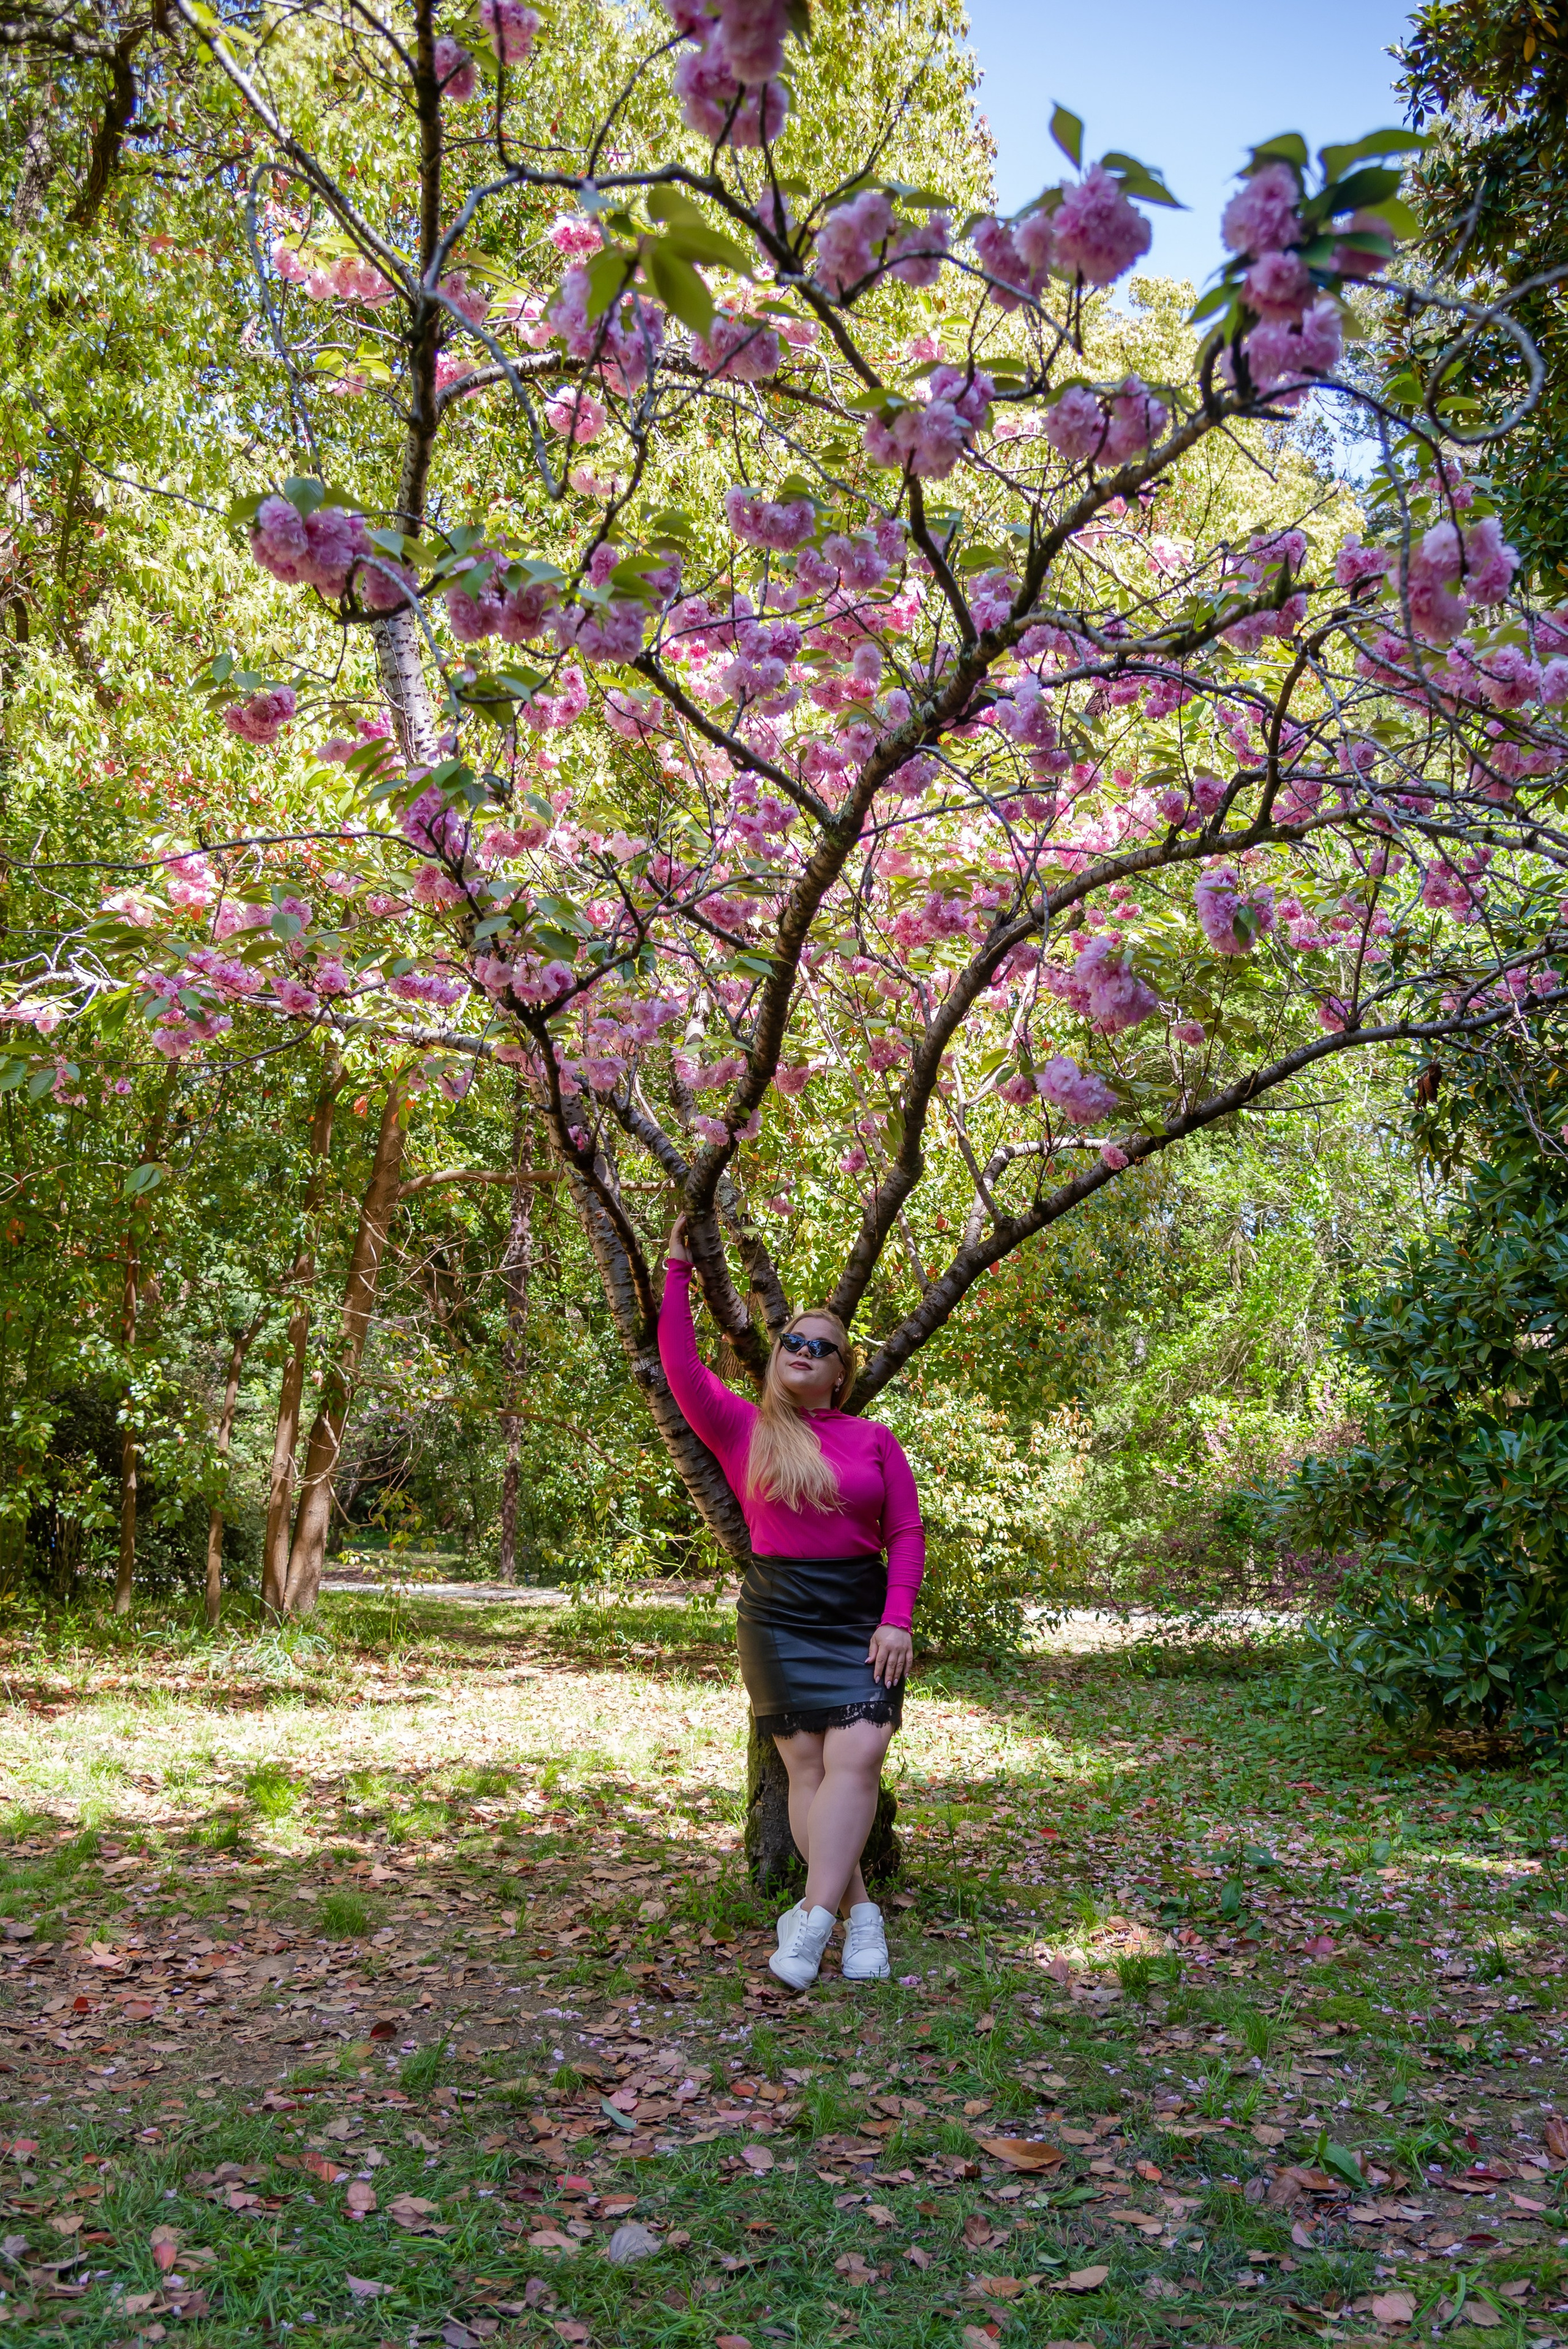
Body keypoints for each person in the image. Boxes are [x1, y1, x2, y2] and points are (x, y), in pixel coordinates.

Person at [659, 1215, 925, 1989]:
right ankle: (859, 1916)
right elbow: (681, 1365)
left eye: (822, 1347)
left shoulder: (874, 1438)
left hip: (859, 1612)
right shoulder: (744, 1429)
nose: (805, 1353)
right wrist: (678, 1269)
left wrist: (897, 1617)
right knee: (806, 1770)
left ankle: (808, 1928)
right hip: (778, 1615)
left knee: (861, 1756)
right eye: (793, 1344)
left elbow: (905, 1532)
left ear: (842, 1370)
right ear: (777, 1361)